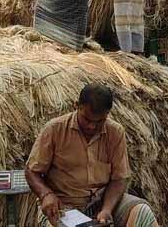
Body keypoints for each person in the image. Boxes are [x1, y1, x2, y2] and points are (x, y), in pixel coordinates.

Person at [25, 84, 159, 227]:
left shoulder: (115, 132)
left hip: (103, 202)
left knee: (142, 212)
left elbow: (119, 179)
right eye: (87, 119)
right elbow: (32, 171)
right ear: (77, 106)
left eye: (99, 121)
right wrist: (46, 194)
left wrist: (107, 209)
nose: (92, 127)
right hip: (63, 205)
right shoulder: (54, 129)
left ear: (107, 114)